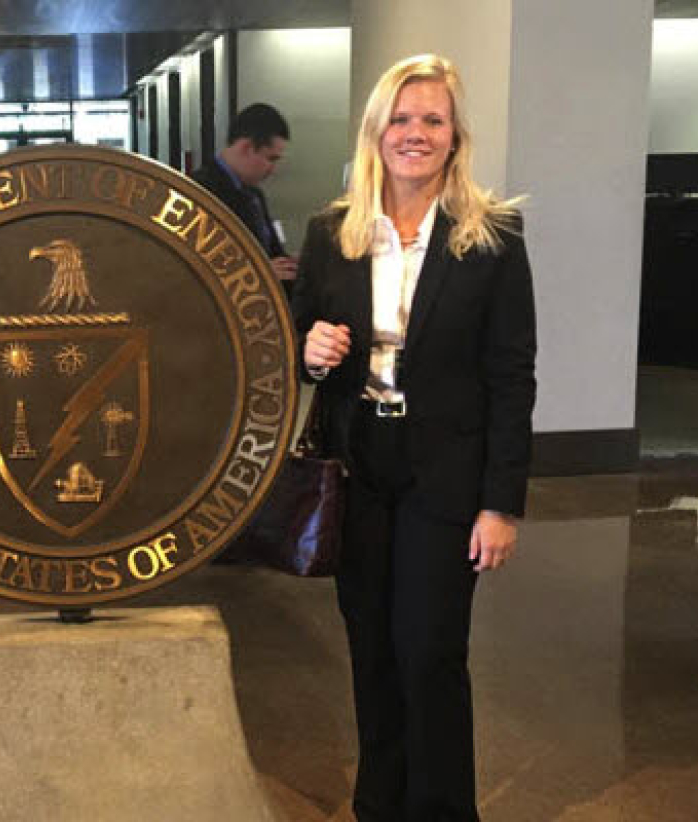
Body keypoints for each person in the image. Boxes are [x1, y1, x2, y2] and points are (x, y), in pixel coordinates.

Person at [292, 55, 536, 821]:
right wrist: (311, 349)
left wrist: (502, 505)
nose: (415, 134)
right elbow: (299, 338)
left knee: (429, 653)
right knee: (370, 651)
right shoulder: (334, 233)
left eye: (432, 120)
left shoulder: (492, 237)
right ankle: (379, 806)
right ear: (376, 132)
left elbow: (512, 377)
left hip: (446, 476)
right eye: (401, 119)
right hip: (359, 464)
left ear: (455, 136)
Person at [190, 103, 298, 296]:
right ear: (246, 147)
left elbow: (270, 253)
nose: (272, 169)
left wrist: (291, 265)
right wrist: (258, 273)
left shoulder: (254, 195)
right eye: (270, 158)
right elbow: (196, 268)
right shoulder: (199, 192)